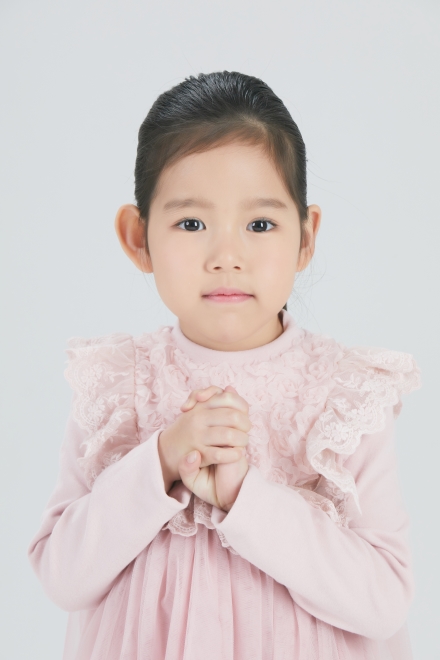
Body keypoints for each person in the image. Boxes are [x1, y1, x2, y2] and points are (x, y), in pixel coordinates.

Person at [27, 71, 421, 660]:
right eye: (191, 224)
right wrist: (163, 459)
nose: (227, 256)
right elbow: (63, 576)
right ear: (138, 238)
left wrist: (246, 498)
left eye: (260, 224)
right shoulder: (118, 383)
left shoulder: (343, 394)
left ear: (306, 237)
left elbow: (384, 599)